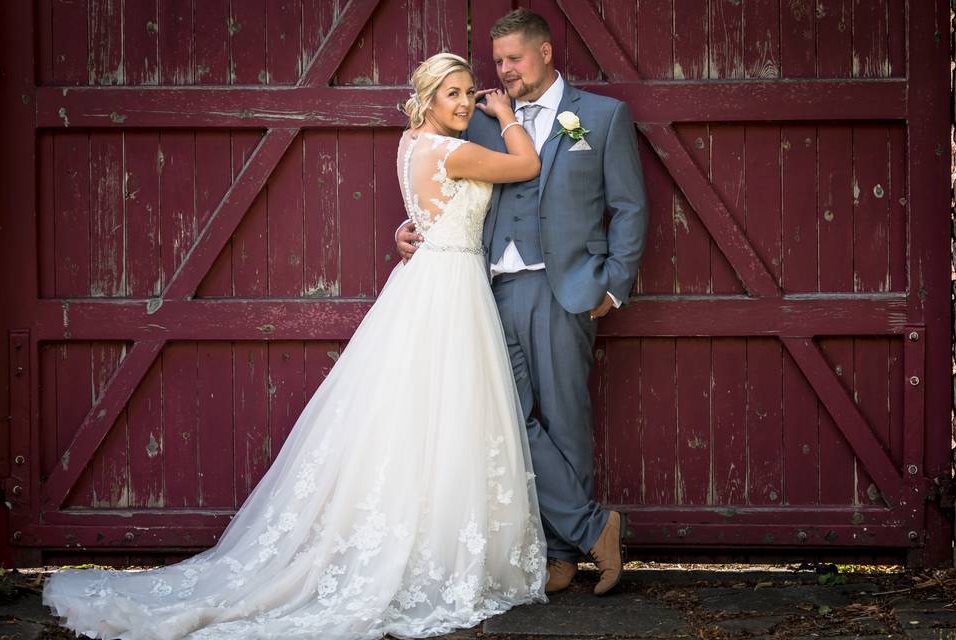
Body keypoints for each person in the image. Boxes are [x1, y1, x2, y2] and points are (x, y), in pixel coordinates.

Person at [43, 52, 548, 640]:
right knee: (442, 412)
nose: (464, 104)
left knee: (415, 417)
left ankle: (428, 534)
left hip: (429, 279)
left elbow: (428, 211)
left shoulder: (410, 143)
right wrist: (506, 113)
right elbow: (527, 164)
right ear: (430, 97)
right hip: (450, 289)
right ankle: (431, 551)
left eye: (468, 93)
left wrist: (408, 232)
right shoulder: (456, 150)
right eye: (453, 94)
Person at [398, 8, 648, 597]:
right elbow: (441, 184)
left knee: (564, 421)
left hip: (566, 289)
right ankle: (591, 530)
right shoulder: (482, 120)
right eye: (499, 61)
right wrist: (411, 233)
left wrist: (613, 284)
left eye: (514, 58)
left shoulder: (601, 117)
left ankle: (565, 555)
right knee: (505, 420)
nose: (504, 70)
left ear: (545, 53)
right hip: (487, 290)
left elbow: (631, 207)